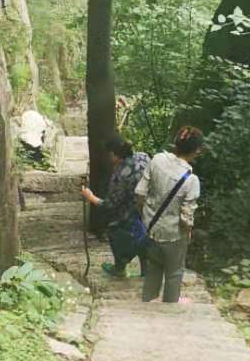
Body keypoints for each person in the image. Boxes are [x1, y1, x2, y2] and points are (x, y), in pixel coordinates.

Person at [135, 126, 205, 305]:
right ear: (197, 151)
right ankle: (170, 307)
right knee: (174, 273)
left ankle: (147, 302)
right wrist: (187, 231)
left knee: (153, 269)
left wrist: (146, 216)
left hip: (151, 228)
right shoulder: (191, 180)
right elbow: (186, 217)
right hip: (174, 235)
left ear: (175, 144)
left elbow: (140, 192)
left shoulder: (157, 160)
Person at [81, 133, 150, 278]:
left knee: (114, 229)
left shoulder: (120, 175)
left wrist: (91, 197)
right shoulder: (143, 157)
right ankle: (146, 271)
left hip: (130, 214)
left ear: (113, 154)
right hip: (150, 210)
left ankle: (120, 267)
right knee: (145, 237)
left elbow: (110, 204)